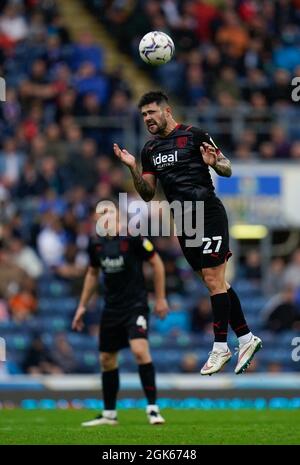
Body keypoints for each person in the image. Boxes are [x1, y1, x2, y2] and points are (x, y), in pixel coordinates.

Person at [113, 90, 262, 376]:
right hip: (183, 220)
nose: (147, 119)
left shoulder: (195, 135)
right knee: (213, 283)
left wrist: (214, 163)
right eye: (143, 115)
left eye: (152, 113)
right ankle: (246, 338)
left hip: (207, 212)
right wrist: (133, 168)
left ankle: (220, 347)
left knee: (213, 279)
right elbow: (146, 193)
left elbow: (227, 168)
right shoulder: (150, 150)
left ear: (167, 111)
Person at [72, 201, 169, 426]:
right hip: (111, 308)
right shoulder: (95, 245)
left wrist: (161, 298)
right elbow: (92, 274)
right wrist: (82, 306)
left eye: (110, 214)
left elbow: (157, 264)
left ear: (118, 219)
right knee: (107, 359)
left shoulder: (133, 240)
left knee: (139, 349)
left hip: (135, 305)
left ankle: (153, 409)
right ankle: (109, 414)